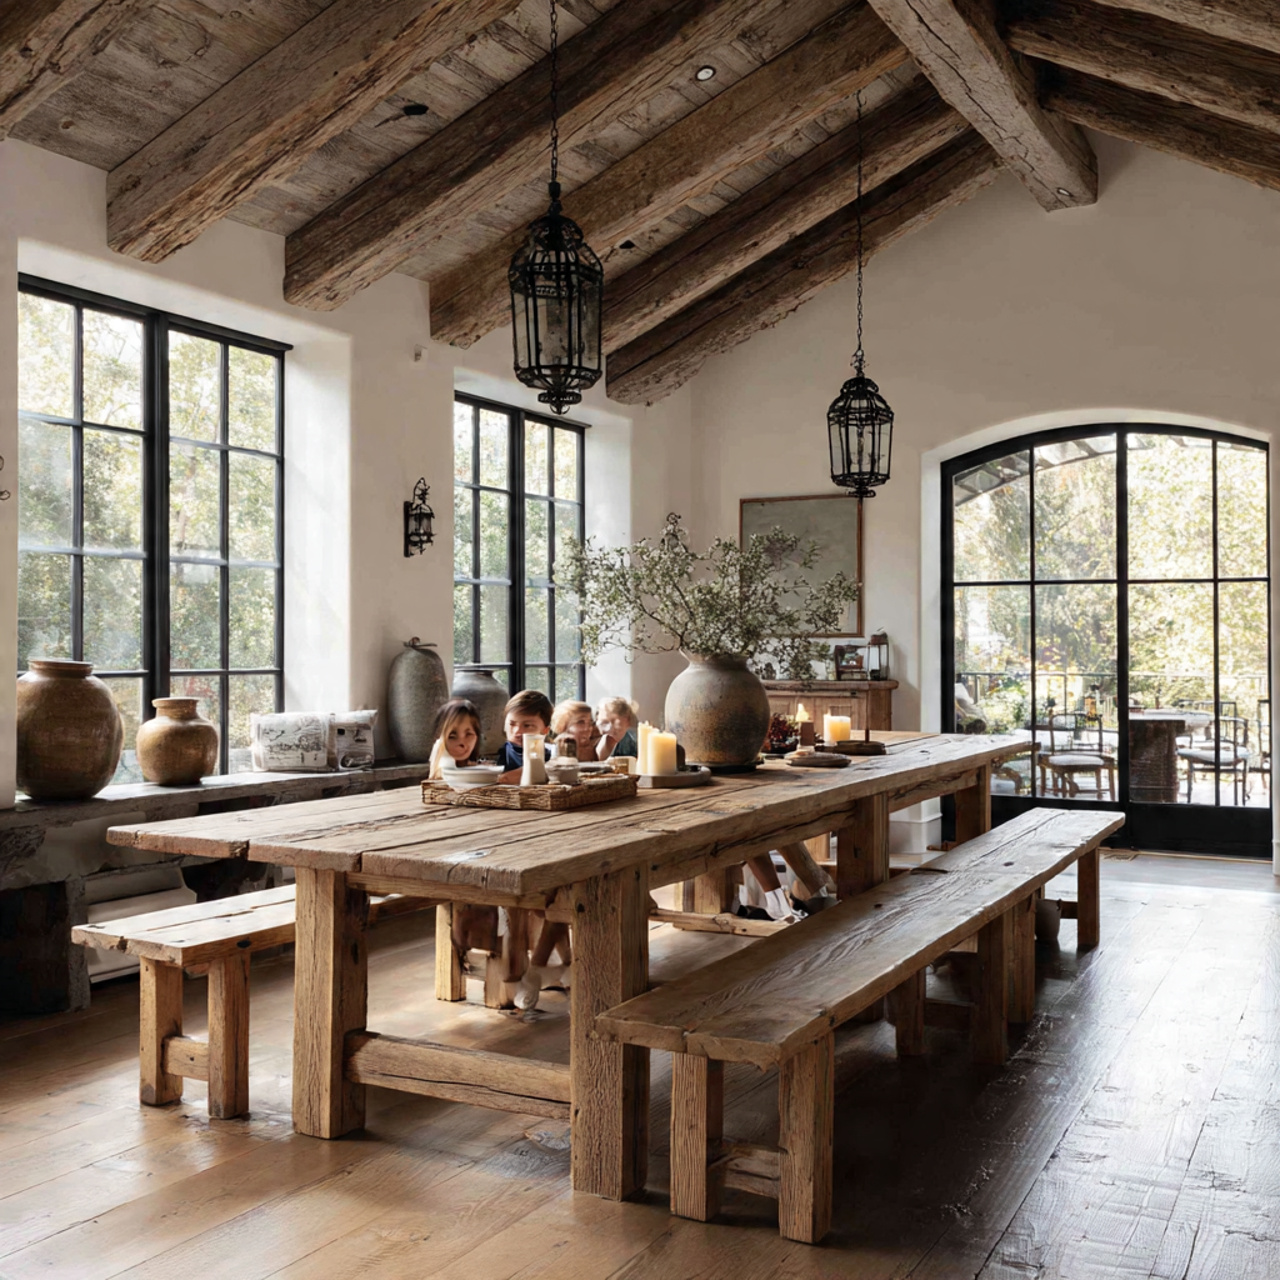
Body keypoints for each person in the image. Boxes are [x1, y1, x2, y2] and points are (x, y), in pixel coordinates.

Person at [495, 689, 555, 783]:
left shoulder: (551, 759)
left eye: (527, 725)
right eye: (512, 724)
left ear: (545, 730)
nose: (517, 731)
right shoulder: (497, 754)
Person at [427, 699, 483, 778]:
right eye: (452, 736)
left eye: (469, 734)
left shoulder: (484, 774)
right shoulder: (436, 779)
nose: (461, 742)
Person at [596, 696, 639, 761]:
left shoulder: (632, 740)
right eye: (604, 722)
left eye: (613, 721)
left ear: (627, 720)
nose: (608, 727)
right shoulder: (603, 738)